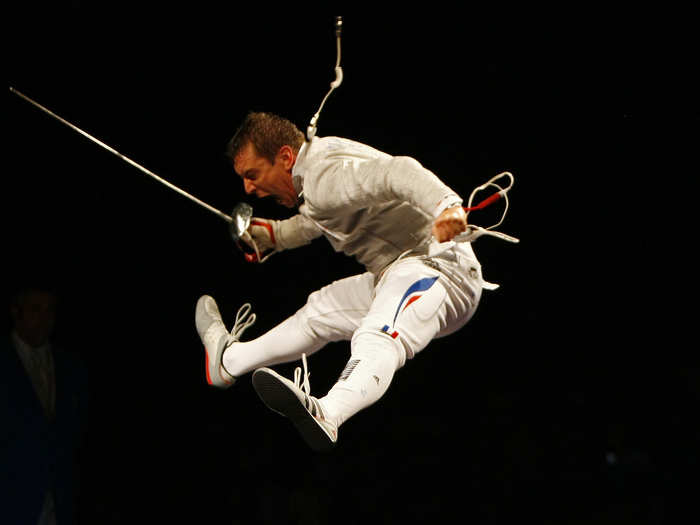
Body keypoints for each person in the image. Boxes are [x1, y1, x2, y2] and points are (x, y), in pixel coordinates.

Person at [195, 111, 510, 451]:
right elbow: (322, 216)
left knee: (378, 331)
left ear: (285, 157)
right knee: (319, 311)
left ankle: (328, 412)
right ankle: (230, 361)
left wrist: (447, 205)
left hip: (444, 272)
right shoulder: (317, 175)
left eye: (252, 175)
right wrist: (275, 235)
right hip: (395, 271)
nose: (248, 189)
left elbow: (397, 171)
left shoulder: (323, 178)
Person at [1, 281, 88, 524]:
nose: (44, 318)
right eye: (35, 309)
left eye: (49, 310)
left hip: (59, 503)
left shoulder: (70, 366)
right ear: (16, 312)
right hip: (12, 502)